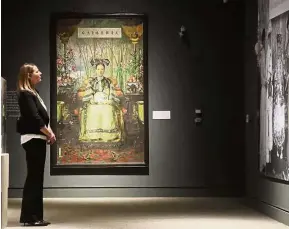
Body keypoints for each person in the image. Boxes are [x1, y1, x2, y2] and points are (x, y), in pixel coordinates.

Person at [16, 63, 56, 226]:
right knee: (34, 178)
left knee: (36, 178)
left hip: (38, 138)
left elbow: (42, 118)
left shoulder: (34, 93)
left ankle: (35, 216)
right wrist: (49, 133)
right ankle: (30, 217)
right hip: (32, 139)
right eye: (37, 72)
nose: (40, 74)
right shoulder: (26, 94)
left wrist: (48, 132)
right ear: (28, 76)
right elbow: (35, 118)